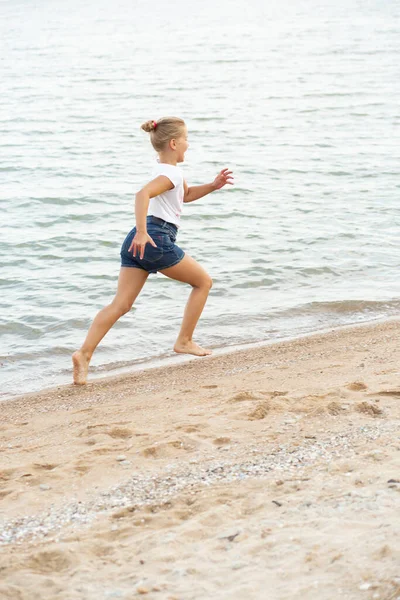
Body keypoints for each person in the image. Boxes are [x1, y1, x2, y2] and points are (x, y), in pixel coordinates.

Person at [72, 116, 234, 385]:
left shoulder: (165, 169)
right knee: (203, 282)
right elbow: (142, 195)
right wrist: (143, 231)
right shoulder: (170, 173)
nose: (188, 145)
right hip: (153, 236)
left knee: (120, 304)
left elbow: (187, 195)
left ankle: (84, 353)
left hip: (138, 240)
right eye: (185, 140)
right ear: (173, 143)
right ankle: (184, 340)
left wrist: (213, 186)